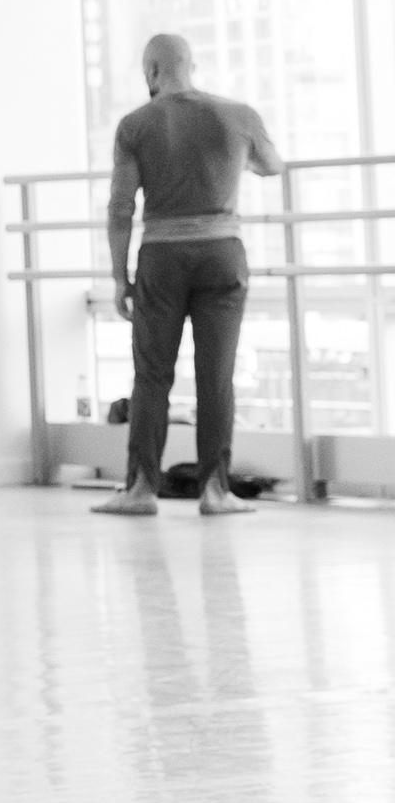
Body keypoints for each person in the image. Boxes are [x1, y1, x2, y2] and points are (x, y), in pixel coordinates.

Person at [96, 33, 282, 518]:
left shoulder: (135, 125)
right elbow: (272, 166)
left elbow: (120, 209)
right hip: (223, 250)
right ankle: (217, 491)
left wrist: (120, 277)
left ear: (151, 72)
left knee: (152, 375)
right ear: (191, 65)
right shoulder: (237, 115)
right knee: (216, 375)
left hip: (161, 256)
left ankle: (139, 490)